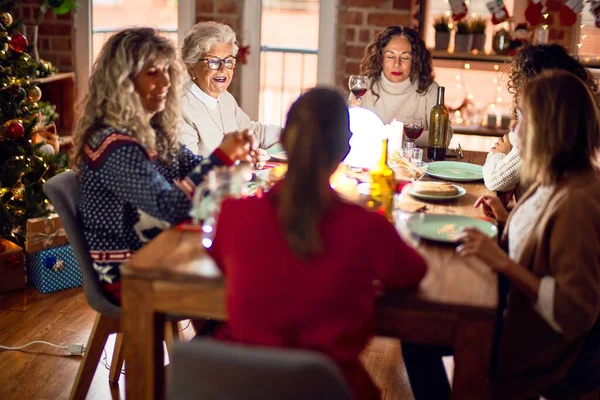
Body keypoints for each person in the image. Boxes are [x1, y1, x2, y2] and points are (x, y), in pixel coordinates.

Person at [208, 88, 428, 400]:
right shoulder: (367, 228)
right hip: (333, 390)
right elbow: (412, 271)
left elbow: (218, 258)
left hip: (248, 387)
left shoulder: (234, 215)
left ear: (285, 142)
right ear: (346, 147)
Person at [404, 70, 600, 400]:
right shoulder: (557, 176)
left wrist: (503, 263)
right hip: (516, 312)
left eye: (521, 116)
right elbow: (543, 246)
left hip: (534, 343)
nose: (512, 128)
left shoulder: (578, 201)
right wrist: (507, 217)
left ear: (548, 126)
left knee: (418, 332)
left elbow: (575, 310)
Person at [72, 27, 256, 302]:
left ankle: (217, 340)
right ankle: (221, 339)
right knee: (242, 275)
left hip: (161, 248)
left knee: (244, 258)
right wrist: (222, 158)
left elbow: (193, 166)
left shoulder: (151, 131)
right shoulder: (112, 144)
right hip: (129, 271)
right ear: (123, 81)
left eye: (167, 71)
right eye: (152, 73)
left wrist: (234, 161)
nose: (166, 82)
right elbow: (171, 208)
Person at [482, 43, 599, 201]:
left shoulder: (543, 134)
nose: (513, 127)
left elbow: (495, 179)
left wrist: (498, 154)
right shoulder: (572, 124)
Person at [180, 21, 280, 161]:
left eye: (228, 61)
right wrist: (237, 160)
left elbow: (249, 131)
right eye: (213, 62)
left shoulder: (224, 98)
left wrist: (291, 133)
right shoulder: (181, 109)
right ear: (191, 66)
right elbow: (189, 171)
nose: (223, 69)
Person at [349, 26, 451, 147]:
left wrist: (398, 135)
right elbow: (350, 131)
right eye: (390, 56)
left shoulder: (429, 89)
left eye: (405, 57)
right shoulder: (364, 87)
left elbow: (444, 135)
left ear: (415, 60)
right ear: (381, 58)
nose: (397, 64)